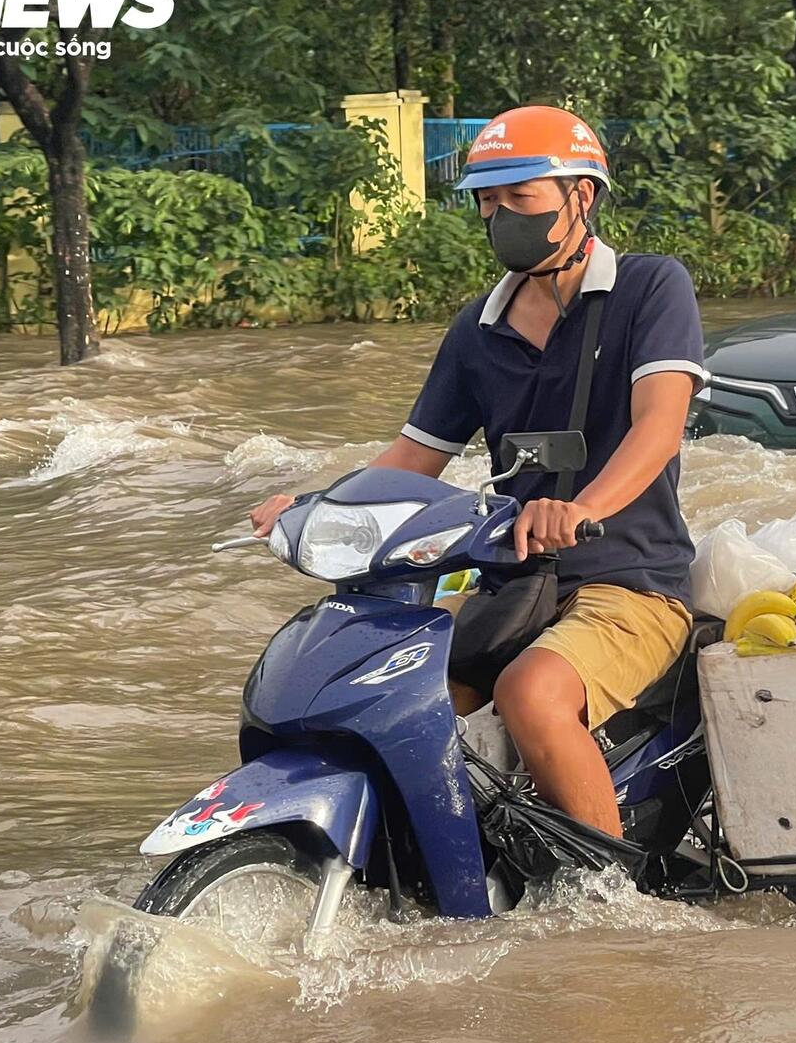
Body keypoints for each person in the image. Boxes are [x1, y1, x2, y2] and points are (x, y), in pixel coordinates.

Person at [248, 106, 706, 838]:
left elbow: (658, 426)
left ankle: (609, 889)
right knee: (379, 693)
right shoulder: (477, 329)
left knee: (531, 693)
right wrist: (314, 505)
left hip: (632, 583)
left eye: (520, 196)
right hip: (511, 585)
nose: (500, 216)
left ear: (581, 196)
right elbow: (412, 459)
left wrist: (581, 509)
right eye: (488, 201)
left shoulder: (650, 287)